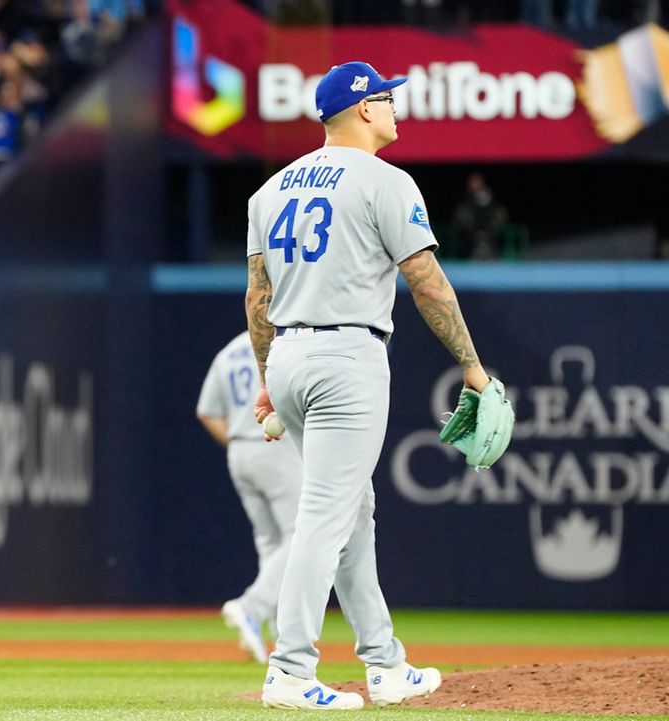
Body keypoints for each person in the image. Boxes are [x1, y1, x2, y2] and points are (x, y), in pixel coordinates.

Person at [245, 61, 493, 709]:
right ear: (361, 109)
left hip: (292, 354)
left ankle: (384, 663)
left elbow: (257, 296)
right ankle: (290, 670)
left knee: (353, 515)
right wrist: (470, 361)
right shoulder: (386, 181)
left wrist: (270, 377)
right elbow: (426, 278)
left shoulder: (269, 190)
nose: (394, 106)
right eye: (386, 96)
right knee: (326, 517)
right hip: (347, 354)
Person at [196, 332, 302, 664]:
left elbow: (206, 412)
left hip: (239, 450)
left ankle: (277, 631)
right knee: (301, 535)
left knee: (272, 542)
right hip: (276, 444)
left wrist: (240, 448)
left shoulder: (229, 350)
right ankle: (252, 608)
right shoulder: (286, 341)